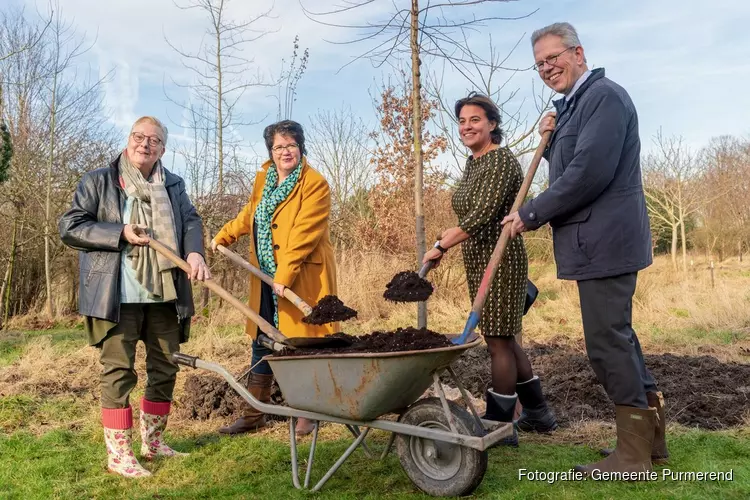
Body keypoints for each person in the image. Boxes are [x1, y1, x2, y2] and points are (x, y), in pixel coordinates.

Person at [501, 22, 668, 475]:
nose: (546, 67)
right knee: (619, 338)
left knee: (605, 344)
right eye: (538, 63)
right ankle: (650, 444)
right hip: (594, 242)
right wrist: (553, 134)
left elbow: (589, 173)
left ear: (578, 52)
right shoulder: (577, 107)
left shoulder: (604, 97)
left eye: (553, 57)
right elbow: (571, 165)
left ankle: (632, 456)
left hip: (605, 241)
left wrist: (530, 213)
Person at [59, 116, 210, 478]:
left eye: (154, 140)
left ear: (163, 148)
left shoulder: (173, 184)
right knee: (118, 372)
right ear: (128, 141)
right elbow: (71, 226)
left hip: (163, 292)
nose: (145, 144)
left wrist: (194, 253)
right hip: (116, 294)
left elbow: (190, 220)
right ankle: (119, 454)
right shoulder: (100, 180)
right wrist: (121, 231)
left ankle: (153, 442)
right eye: (139, 137)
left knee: (165, 367)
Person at [422, 93, 557, 447]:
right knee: (505, 337)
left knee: (498, 341)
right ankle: (539, 413)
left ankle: (500, 424)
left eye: (475, 120)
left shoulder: (499, 162)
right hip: (480, 258)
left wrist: (442, 244)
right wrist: (444, 242)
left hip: (501, 259)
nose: (467, 127)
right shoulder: (474, 162)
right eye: (462, 122)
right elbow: (469, 217)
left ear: (492, 124)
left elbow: (483, 214)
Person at [212, 120, 338, 438]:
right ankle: (255, 413)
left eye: (291, 145)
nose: (285, 152)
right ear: (271, 150)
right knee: (262, 339)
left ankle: (308, 413)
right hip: (265, 276)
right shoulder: (264, 180)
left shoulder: (314, 184)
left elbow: (304, 235)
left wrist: (284, 276)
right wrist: (224, 235)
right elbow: (250, 215)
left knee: (303, 344)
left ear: (301, 147)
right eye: (279, 147)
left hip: (301, 276)